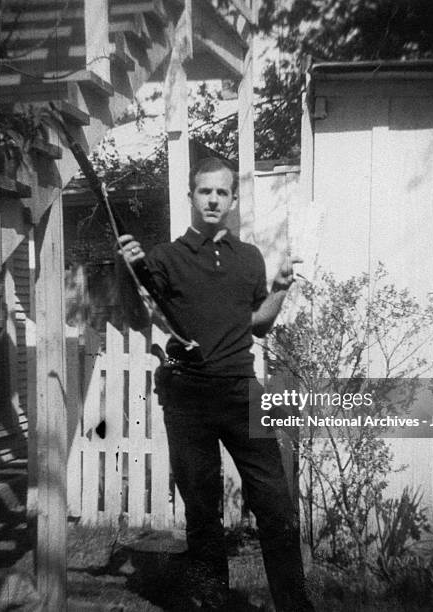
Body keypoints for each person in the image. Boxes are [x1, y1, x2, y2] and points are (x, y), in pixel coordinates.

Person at [118, 157, 315, 611]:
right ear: (191, 197)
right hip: (188, 395)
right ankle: (212, 603)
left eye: (221, 192)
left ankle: (295, 605)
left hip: (242, 391)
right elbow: (135, 316)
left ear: (231, 199)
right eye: (204, 191)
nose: (212, 199)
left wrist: (281, 289)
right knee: (203, 513)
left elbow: (257, 326)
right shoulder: (164, 258)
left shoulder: (250, 258)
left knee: (276, 506)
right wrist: (124, 271)